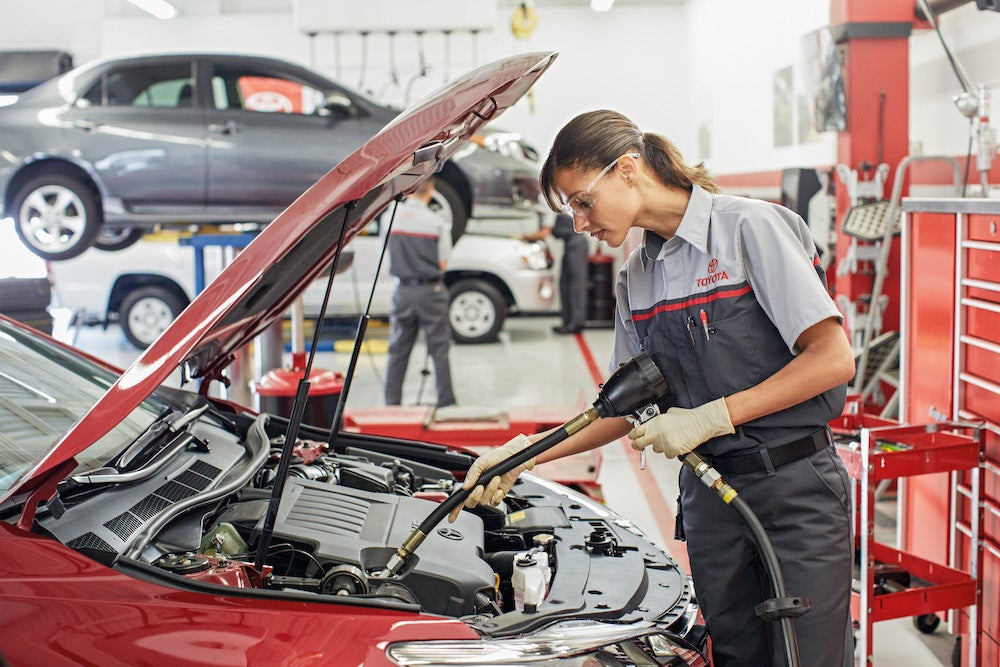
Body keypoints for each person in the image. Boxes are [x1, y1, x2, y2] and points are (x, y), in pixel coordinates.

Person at [450, 110, 856, 667]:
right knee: (733, 654)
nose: (579, 223)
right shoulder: (635, 278)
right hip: (712, 501)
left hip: (793, 491)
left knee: (805, 657)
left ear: (627, 170)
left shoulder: (748, 229)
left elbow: (832, 359)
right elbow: (621, 406)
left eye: (582, 202)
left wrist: (713, 416)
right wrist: (527, 453)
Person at [384, 177, 456, 408]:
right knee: (439, 349)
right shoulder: (436, 223)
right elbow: (443, 262)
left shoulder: (390, 218)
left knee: (398, 351)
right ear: (431, 191)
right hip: (430, 292)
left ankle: (392, 404)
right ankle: (446, 403)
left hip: (402, 291)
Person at [522, 211, 589, 334]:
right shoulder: (544, 214)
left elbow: (544, 233)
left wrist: (522, 237)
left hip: (577, 244)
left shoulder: (549, 211)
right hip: (569, 244)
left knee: (575, 284)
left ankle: (577, 322)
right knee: (564, 282)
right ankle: (567, 321)